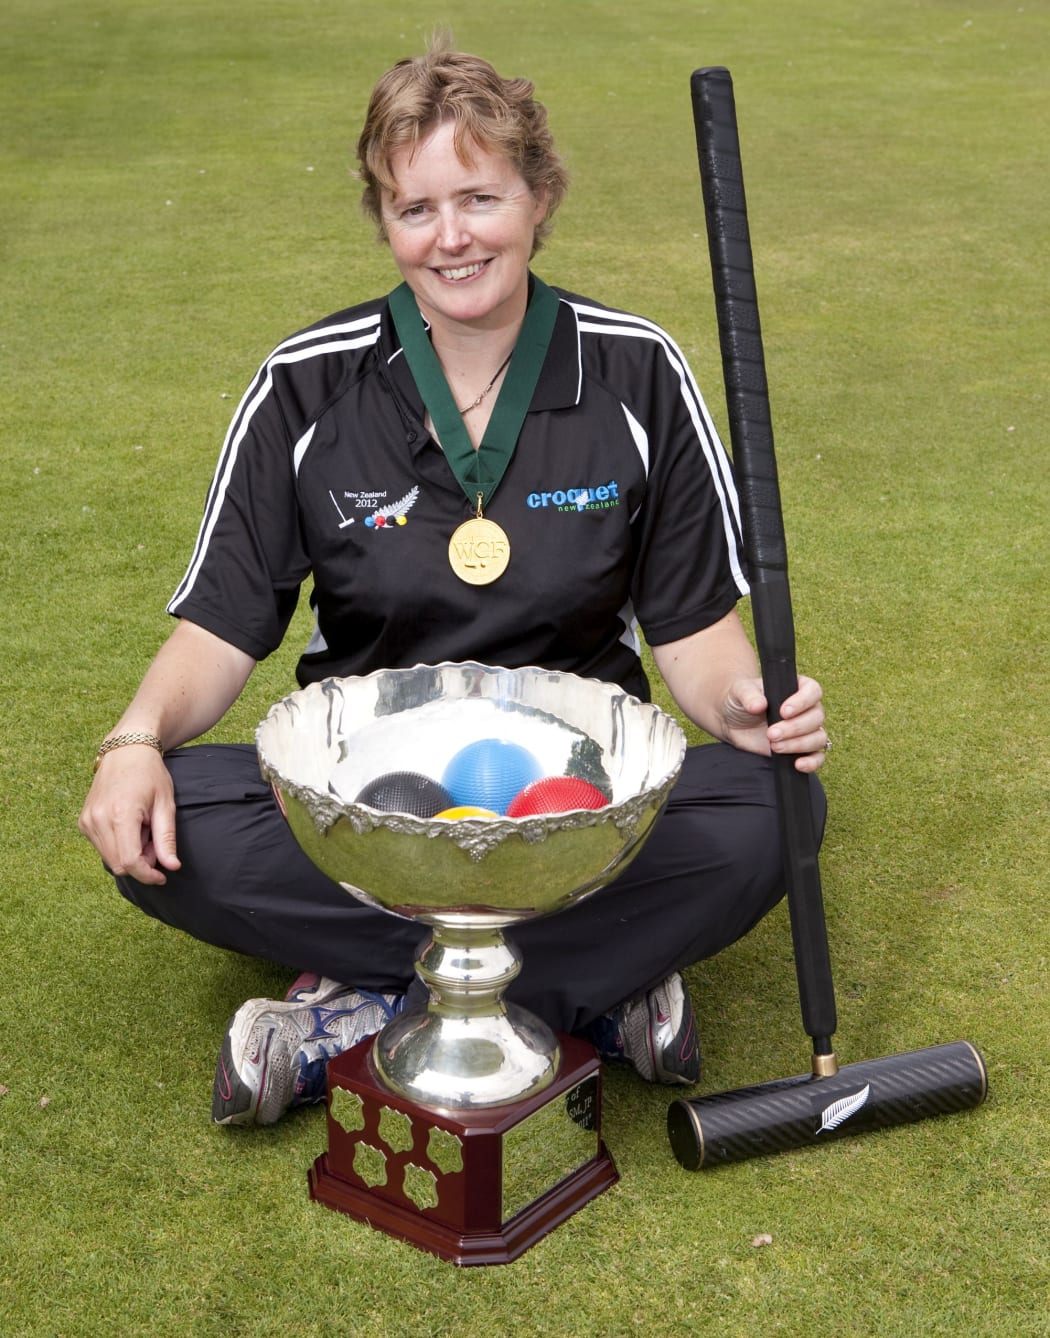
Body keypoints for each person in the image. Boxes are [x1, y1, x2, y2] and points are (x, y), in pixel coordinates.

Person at [79, 41, 829, 1128]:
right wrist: (134, 742)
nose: (452, 236)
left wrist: (747, 708)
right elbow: (223, 622)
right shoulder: (307, 381)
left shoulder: (635, 371)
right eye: (416, 206)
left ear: (538, 199)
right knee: (169, 817)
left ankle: (362, 1006)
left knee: (778, 805)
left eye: (480, 197)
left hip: (574, 799)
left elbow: (694, 626)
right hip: (369, 795)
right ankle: (597, 992)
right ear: (384, 219)